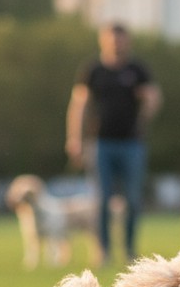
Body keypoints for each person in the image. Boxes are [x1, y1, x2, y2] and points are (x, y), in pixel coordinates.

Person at [66, 22, 161, 265]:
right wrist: (74, 138)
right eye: (112, 40)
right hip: (101, 144)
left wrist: (148, 108)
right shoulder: (93, 70)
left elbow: (153, 96)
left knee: (132, 199)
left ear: (127, 41)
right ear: (103, 41)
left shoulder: (137, 70)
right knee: (102, 200)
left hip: (131, 143)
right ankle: (103, 250)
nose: (116, 44)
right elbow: (79, 105)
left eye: (120, 39)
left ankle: (129, 250)